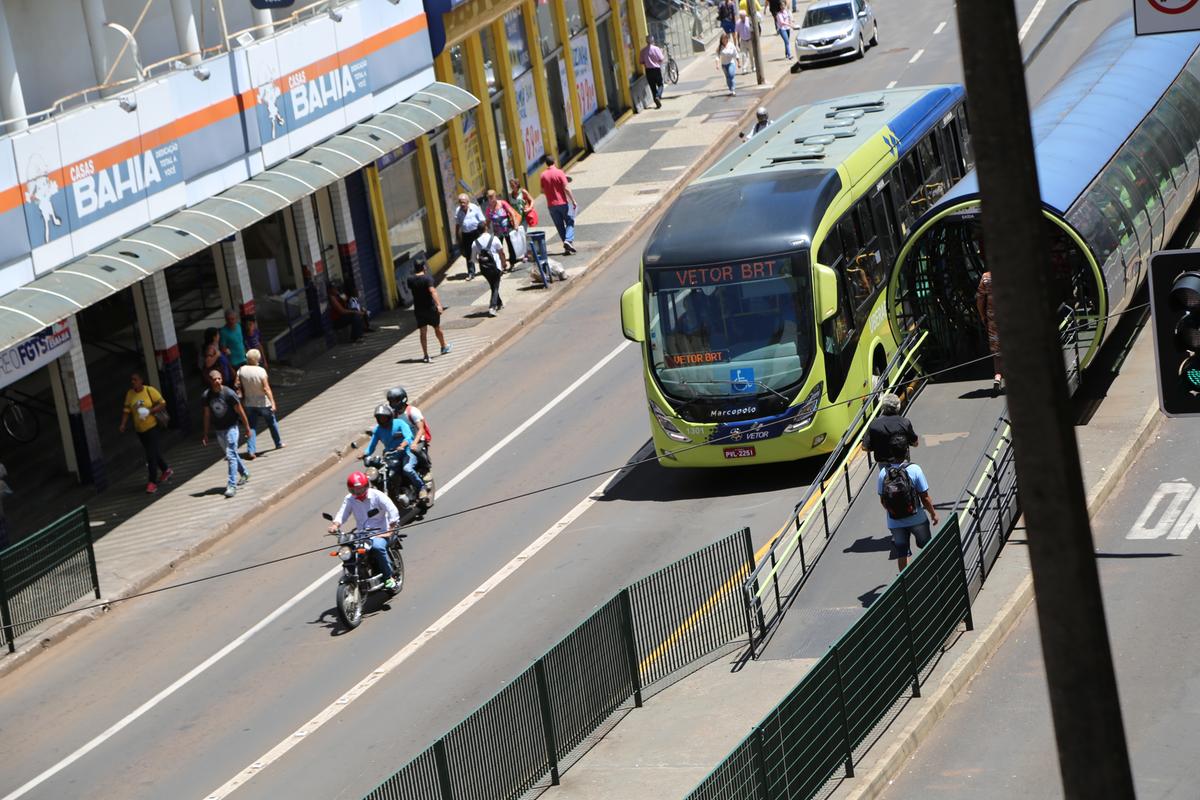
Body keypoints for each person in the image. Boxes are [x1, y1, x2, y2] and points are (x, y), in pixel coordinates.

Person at [328, 472, 401, 591]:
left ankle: (389, 577)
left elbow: (392, 510)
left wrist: (391, 529)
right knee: (349, 550)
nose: (357, 493)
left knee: (377, 547)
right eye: (354, 490)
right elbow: (342, 513)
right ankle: (356, 576)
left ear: (366, 486)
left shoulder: (377, 495)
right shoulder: (350, 499)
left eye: (360, 489)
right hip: (362, 534)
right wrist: (335, 525)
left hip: (381, 532)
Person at [878, 457, 940, 571]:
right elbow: (925, 497)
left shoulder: (883, 472)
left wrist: (894, 511)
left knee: (902, 552)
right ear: (905, 452)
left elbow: (882, 500)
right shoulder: (914, 469)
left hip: (895, 522)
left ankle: (905, 581)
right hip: (917, 519)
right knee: (926, 546)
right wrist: (933, 514)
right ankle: (933, 572)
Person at [119, 371, 173, 494]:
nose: (133, 382)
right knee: (153, 452)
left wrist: (151, 411)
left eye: (135, 379)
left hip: (152, 428)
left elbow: (163, 403)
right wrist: (123, 424)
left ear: (141, 380)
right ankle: (166, 470)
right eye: (131, 380)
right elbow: (127, 410)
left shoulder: (149, 390)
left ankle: (152, 482)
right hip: (140, 430)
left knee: (150, 455)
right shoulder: (130, 394)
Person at [201, 369, 251, 498]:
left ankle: (232, 486)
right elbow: (206, 415)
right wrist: (205, 433)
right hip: (219, 430)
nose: (217, 381)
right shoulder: (207, 396)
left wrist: (247, 428)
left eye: (219, 378)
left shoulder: (229, 393)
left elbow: (240, 411)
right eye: (214, 379)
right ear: (210, 381)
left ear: (222, 379)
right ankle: (245, 472)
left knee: (230, 454)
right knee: (232, 454)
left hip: (232, 428)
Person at [366, 404, 427, 502]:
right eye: (380, 418)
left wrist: (403, 445)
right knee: (384, 473)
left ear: (389, 417)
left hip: (407, 452)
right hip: (391, 456)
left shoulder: (399, 423)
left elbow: (409, 436)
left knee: (407, 469)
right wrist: (364, 454)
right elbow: (371, 446)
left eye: (384, 417)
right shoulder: (378, 430)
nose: (382, 420)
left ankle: (421, 488)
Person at [235, 349, 283, 458]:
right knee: (271, 423)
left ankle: (251, 451)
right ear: (258, 359)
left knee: (251, 426)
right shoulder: (261, 371)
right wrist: (273, 403)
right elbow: (266, 388)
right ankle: (278, 443)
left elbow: (236, 385)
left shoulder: (241, 370)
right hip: (263, 403)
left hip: (249, 403)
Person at [406, 257, 450, 363]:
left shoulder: (410, 279)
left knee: (423, 332)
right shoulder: (428, 278)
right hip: (430, 308)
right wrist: (439, 305)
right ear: (424, 267)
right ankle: (443, 346)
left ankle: (425, 355)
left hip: (419, 310)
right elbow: (432, 291)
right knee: (437, 328)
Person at [863, 392, 918, 464]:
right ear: (898, 407)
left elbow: (865, 447)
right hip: (902, 462)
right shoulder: (905, 422)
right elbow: (915, 443)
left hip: (883, 464)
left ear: (883, 407)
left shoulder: (874, 424)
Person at [387, 386, 432, 472]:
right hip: (404, 441)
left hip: (417, 440)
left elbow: (421, 429)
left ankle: (426, 469)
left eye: (395, 401)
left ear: (402, 400)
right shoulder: (394, 415)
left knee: (416, 451)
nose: (392, 404)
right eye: (391, 401)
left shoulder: (412, 411)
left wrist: (414, 443)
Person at [539, 155, 577, 255]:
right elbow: (566, 188)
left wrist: (550, 190)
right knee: (570, 221)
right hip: (562, 203)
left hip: (551, 205)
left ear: (546, 164)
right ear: (554, 162)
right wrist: (573, 200)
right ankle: (568, 240)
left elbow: (542, 191)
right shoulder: (559, 172)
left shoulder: (543, 175)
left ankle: (567, 248)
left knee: (559, 226)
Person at [473, 226, 509, 317]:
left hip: (484, 269)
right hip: (496, 267)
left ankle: (499, 303)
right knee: (495, 286)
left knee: (493, 285)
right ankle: (492, 307)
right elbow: (502, 253)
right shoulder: (495, 239)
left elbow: (473, 259)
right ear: (486, 229)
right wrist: (504, 263)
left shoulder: (474, 243)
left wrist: (481, 262)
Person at [976, 270, 1003, 393]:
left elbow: (980, 298)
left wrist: (982, 316)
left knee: (996, 349)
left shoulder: (986, 277)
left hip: (993, 317)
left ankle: (997, 376)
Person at [484, 189, 522, 267]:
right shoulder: (488, 209)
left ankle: (512, 262)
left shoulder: (502, 203)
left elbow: (512, 213)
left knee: (510, 245)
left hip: (507, 229)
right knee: (499, 249)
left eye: (492, 197)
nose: (491, 199)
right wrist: (485, 231)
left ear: (495, 196)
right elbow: (487, 221)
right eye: (489, 197)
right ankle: (502, 264)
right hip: (497, 232)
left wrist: (515, 224)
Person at [455, 193, 488, 280]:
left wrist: (485, 232)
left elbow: (482, 220)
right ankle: (471, 272)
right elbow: (457, 224)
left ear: (468, 202)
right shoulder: (458, 211)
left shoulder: (474, 208)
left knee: (481, 251)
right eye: (460, 202)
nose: (462, 204)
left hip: (476, 232)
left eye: (463, 202)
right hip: (466, 234)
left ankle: (484, 269)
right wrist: (457, 235)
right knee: (469, 254)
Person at [640, 35, 666, 108]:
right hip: (656, 69)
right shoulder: (656, 49)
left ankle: (656, 100)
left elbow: (641, 62)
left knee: (652, 86)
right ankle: (658, 96)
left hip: (648, 70)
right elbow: (661, 59)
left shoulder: (643, 51)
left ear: (646, 41)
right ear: (653, 41)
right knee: (660, 84)